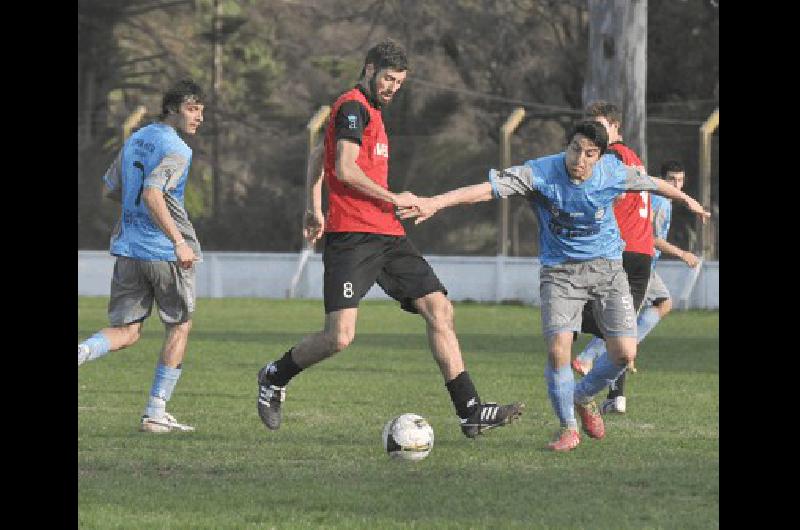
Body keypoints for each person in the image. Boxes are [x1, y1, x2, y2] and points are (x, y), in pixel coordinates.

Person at [256, 39, 524, 439]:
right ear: (369, 70)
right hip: (352, 237)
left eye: (399, 81)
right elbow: (343, 168)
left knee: (439, 308)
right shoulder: (352, 107)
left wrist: (312, 207)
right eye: (388, 78)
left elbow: (319, 157)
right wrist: (392, 197)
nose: (393, 87)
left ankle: (470, 409)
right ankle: (274, 376)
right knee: (339, 337)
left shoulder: (372, 115)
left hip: (388, 234)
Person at [398, 120, 710, 452]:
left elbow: (655, 184)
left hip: (608, 270)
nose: (580, 158)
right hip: (560, 273)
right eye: (575, 148)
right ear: (567, 145)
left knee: (623, 354)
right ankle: (567, 428)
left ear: (600, 156)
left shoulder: (614, 173)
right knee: (558, 349)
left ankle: (583, 395)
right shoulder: (540, 174)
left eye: (590, 153)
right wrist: (434, 202)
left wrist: (687, 200)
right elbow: (484, 191)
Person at [77, 79, 205, 433]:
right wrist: (178, 240)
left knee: (128, 331)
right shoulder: (178, 149)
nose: (200, 118)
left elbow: (110, 189)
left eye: (201, 110)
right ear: (173, 109)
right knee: (179, 326)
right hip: (164, 253)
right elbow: (152, 194)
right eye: (193, 109)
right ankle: (155, 411)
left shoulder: (136, 137)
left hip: (129, 248)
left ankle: (82, 352)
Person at [576, 160, 700, 379]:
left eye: (680, 180)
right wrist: (682, 254)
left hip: (639, 262)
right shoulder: (660, 202)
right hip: (641, 264)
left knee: (646, 308)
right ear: (662, 180)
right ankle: (592, 356)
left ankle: (607, 355)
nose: (677, 185)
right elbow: (651, 238)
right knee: (638, 313)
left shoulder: (661, 201)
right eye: (672, 179)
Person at [572, 101, 655, 415]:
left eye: (600, 126)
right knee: (624, 332)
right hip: (642, 251)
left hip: (619, 248)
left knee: (591, 316)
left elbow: (616, 193)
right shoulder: (633, 155)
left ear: (614, 126)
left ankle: (571, 328)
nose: (595, 133)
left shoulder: (613, 155)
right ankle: (615, 397)